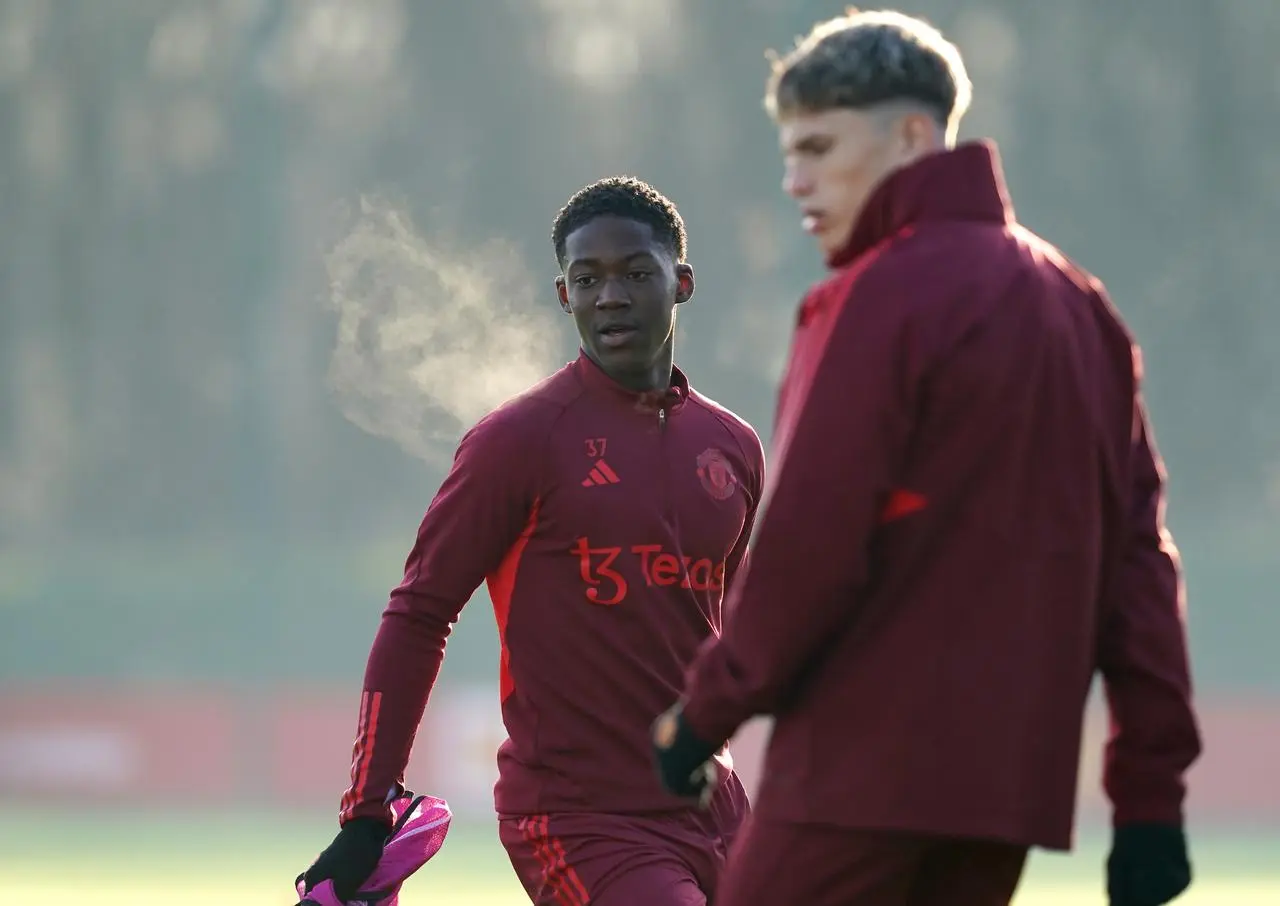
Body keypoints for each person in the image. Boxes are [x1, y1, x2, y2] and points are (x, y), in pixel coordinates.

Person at [649, 10, 1202, 906]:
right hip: (1002, 794)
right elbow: (1138, 570)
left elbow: (810, 542)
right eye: (789, 152)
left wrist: (702, 715)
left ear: (912, 135)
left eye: (819, 148)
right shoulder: (1084, 312)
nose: (794, 181)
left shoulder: (879, 295)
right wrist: (1151, 800)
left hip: (856, 774)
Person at [297, 176, 764, 906]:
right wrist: (366, 812)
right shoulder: (517, 441)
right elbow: (419, 613)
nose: (611, 295)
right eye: (588, 279)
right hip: (582, 818)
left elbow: (726, 642)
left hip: (722, 814)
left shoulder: (733, 447)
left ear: (683, 284)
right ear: (563, 295)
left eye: (637, 273)